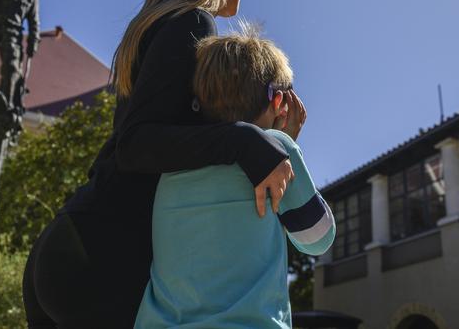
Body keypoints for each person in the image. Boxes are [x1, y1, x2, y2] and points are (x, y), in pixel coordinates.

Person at [22, 0, 300, 328]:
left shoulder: (153, 27)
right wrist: (248, 140)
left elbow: (164, 141)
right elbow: (136, 144)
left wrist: (270, 139)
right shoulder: (193, 22)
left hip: (76, 238)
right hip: (104, 257)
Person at [135, 27, 335, 328]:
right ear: (279, 102)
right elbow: (317, 239)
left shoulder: (174, 158)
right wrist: (288, 147)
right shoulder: (277, 148)